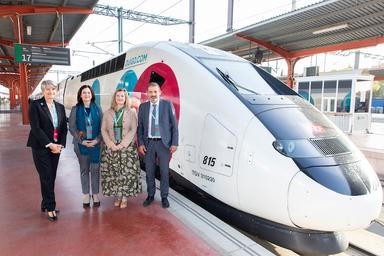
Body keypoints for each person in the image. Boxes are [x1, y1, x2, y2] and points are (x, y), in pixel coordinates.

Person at [27, 80, 68, 222]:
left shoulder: (60, 107)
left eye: (52, 90)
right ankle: (50, 207)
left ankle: (45, 203)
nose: (50, 92)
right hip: (41, 147)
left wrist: (61, 145)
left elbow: (63, 128)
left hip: (56, 147)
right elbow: (36, 128)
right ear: (43, 92)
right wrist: (50, 145)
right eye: (47, 90)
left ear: (56, 91)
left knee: (51, 176)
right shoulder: (36, 105)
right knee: (46, 176)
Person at [137, 82, 178, 208]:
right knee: (149, 171)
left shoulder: (167, 105)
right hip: (149, 143)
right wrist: (141, 143)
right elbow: (140, 127)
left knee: (164, 172)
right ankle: (150, 195)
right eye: (150, 92)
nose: (153, 94)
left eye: (155, 92)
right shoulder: (143, 107)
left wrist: (174, 143)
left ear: (160, 92)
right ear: (147, 93)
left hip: (163, 144)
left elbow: (174, 126)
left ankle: (164, 197)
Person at [100, 88, 142, 208]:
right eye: (118, 96)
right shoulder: (107, 113)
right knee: (114, 173)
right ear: (114, 98)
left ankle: (124, 197)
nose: (120, 98)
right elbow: (103, 129)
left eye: (122, 96)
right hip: (111, 148)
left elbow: (133, 129)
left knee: (125, 174)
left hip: (127, 149)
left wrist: (123, 144)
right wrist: (110, 144)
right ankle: (118, 195)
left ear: (125, 98)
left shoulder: (131, 112)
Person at [69, 85, 103, 208]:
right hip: (81, 145)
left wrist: (97, 140)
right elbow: (72, 127)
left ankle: (95, 194)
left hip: (96, 145)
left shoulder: (98, 109)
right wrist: (81, 141)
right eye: (84, 93)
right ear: (80, 95)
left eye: (88, 93)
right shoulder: (75, 109)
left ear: (92, 94)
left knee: (95, 169)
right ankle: (85, 194)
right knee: (84, 170)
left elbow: (102, 128)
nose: (87, 95)